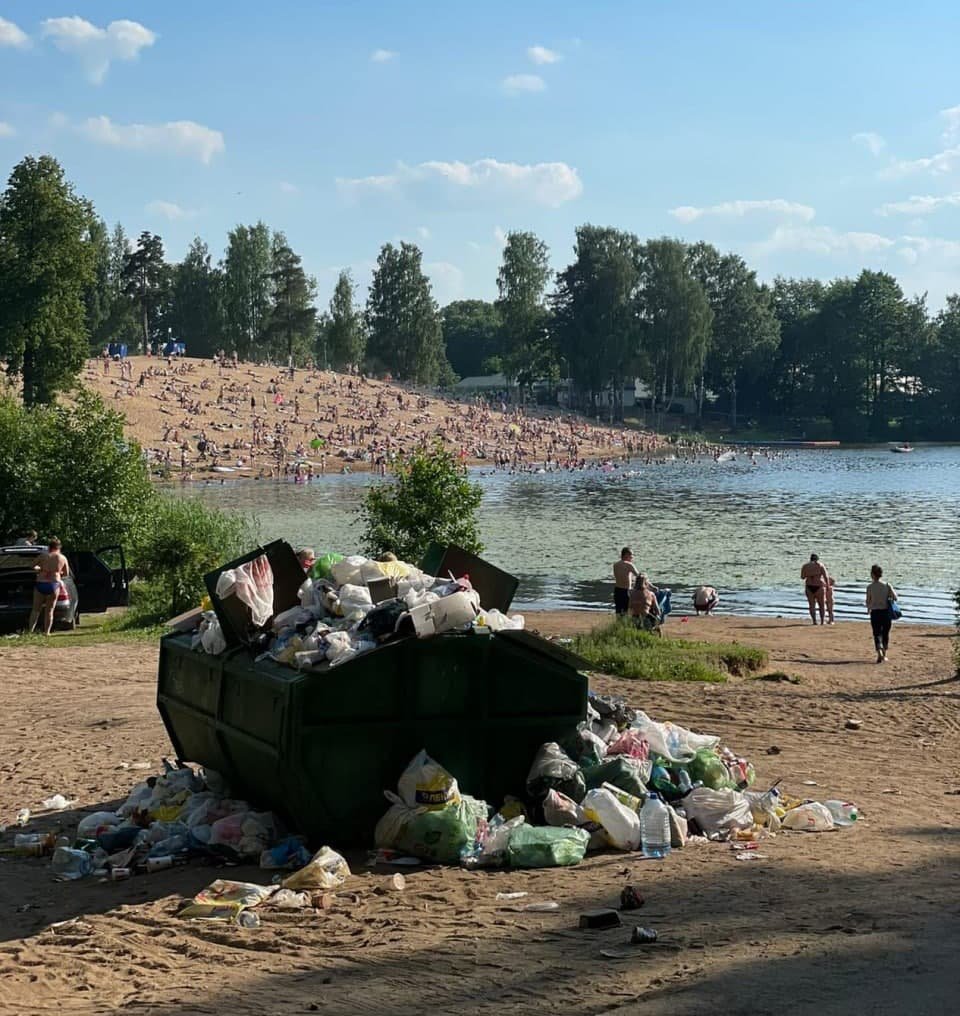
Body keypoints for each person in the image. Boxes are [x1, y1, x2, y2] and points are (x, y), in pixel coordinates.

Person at [28, 538, 70, 636]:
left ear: (49, 547)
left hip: (41, 583)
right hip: (54, 584)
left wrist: (39, 569)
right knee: (50, 610)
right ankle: (47, 632)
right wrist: (59, 572)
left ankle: (30, 631)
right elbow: (66, 573)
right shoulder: (62, 558)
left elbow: (31, 565)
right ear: (59, 547)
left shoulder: (43, 556)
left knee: (35, 609)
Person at [866, 564, 896, 663]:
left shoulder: (870, 587)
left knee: (876, 633)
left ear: (872, 575)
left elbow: (868, 601)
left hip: (875, 612)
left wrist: (869, 609)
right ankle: (884, 653)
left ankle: (879, 652)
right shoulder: (887, 585)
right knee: (885, 633)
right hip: (886, 612)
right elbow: (895, 597)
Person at [800, 553, 829, 625]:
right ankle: (822, 621)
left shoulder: (805, 566)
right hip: (818, 586)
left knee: (811, 605)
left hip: (809, 586)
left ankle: (814, 621)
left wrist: (810, 574)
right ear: (817, 559)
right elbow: (826, 576)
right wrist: (827, 586)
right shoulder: (820, 565)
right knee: (821, 604)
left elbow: (802, 577)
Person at [613, 547, 639, 616]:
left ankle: (618, 625)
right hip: (626, 591)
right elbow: (640, 577)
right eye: (631, 555)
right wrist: (651, 586)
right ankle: (626, 625)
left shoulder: (615, 565)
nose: (632, 557)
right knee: (627, 610)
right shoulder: (629, 565)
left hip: (617, 590)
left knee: (618, 611)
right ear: (626, 555)